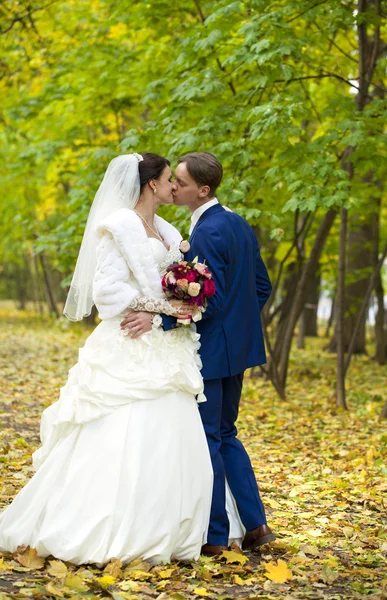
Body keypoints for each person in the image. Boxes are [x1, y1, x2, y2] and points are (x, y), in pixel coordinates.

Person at [0, 152, 233, 565]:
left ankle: (171, 528)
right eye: (167, 179)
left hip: (168, 350)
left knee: (172, 438)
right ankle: (108, 528)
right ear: (151, 185)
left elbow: (176, 284)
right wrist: (158, 306)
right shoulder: (118, 227)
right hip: (129, 345)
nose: (173, 187)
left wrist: (178, 304)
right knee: (122, 432)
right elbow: (106, 294)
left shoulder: (166, 229)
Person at [122, 152, 275, 556]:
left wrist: (163, 322)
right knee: (227, 435)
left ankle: (216, 536)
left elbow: (211, 298)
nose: (174, 187)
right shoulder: (238, 223)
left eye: (182, 182)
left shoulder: (207, 232)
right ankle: (257, 525)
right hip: (239, 349)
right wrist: (239, 328)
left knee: (207, 439)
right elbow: (262, 287)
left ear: (201, 190)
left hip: (212, 350)